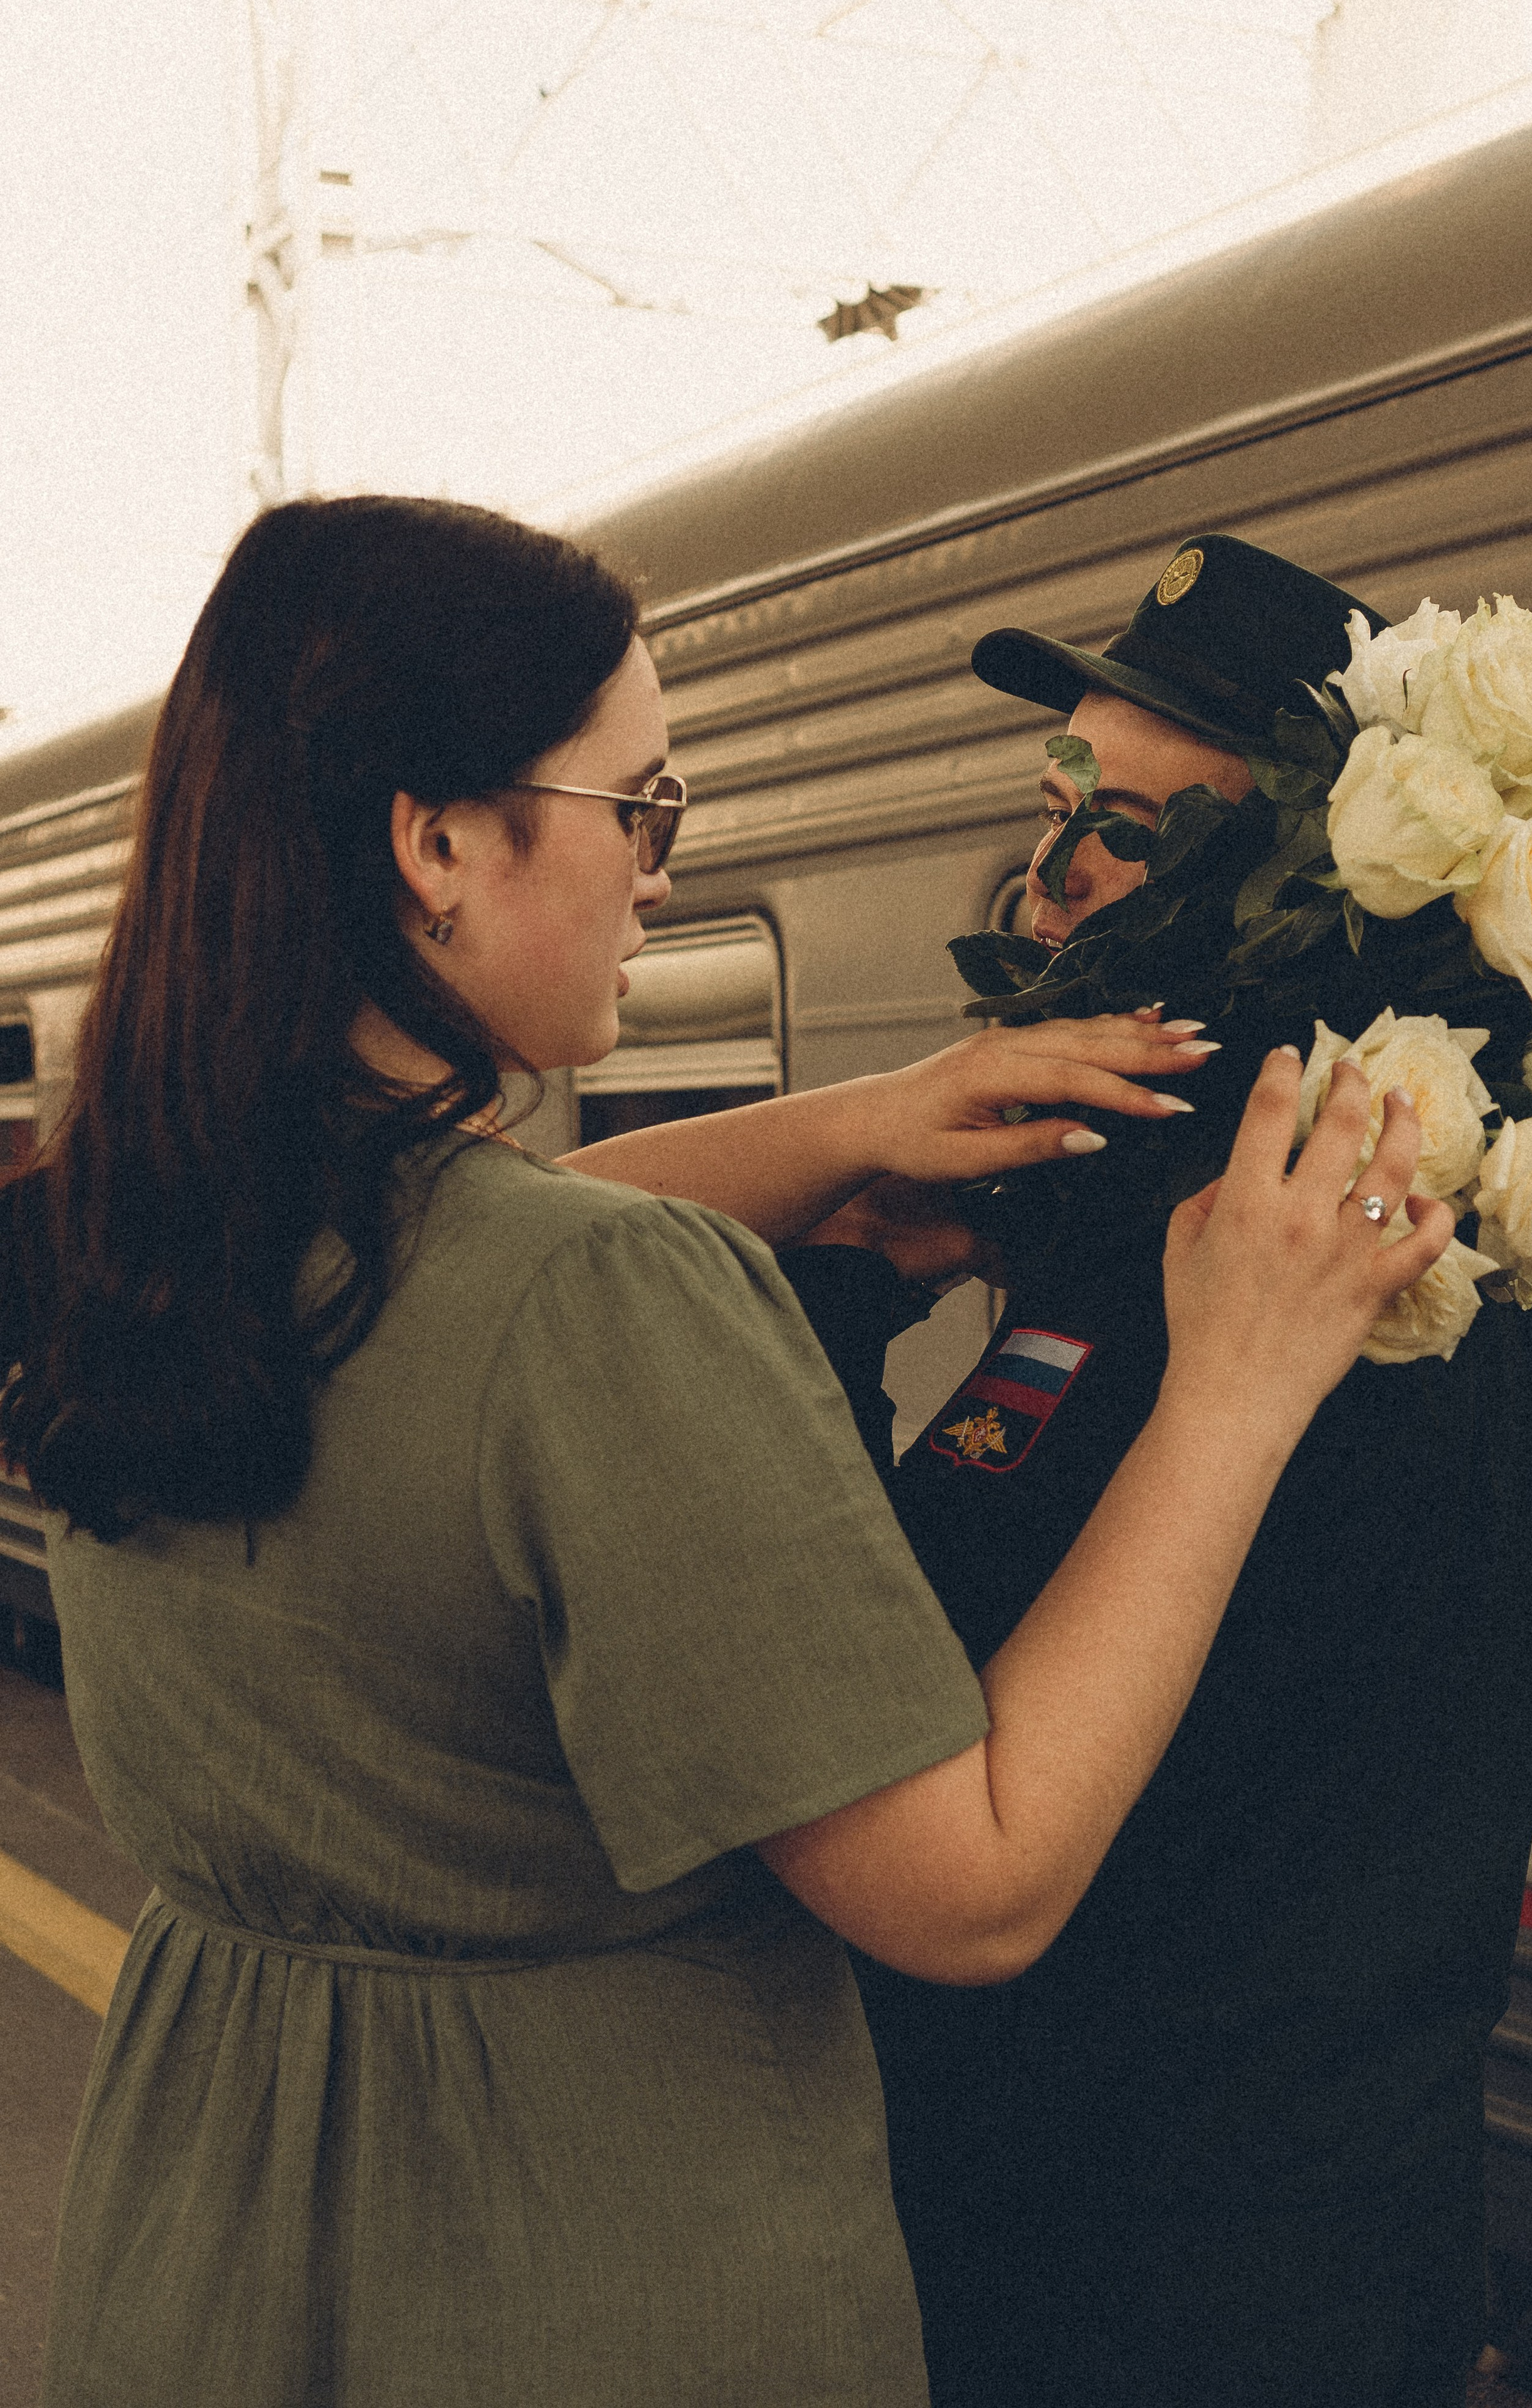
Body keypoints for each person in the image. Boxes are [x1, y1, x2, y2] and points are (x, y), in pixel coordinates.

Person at [4, 499, 1447, 2408]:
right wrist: (1238, 1384)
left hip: (215, 2237)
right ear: (437, 842)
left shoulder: (143, 1243)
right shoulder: (594, 1311)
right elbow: (973, 1884)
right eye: (641, 809)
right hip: (576, 2269)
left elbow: (495, 1253)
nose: (661, 878)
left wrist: (866, 1117)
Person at [737, 536, 1532, 2408]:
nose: (1042, 880)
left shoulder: (1287, 1307)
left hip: (1174, 2288)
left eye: (1118, 833)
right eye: (1050, 811)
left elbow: (890, 1704)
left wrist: (849, 1296)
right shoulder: (1260, 1259)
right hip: (1194, 2254)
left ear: (1292, 897)